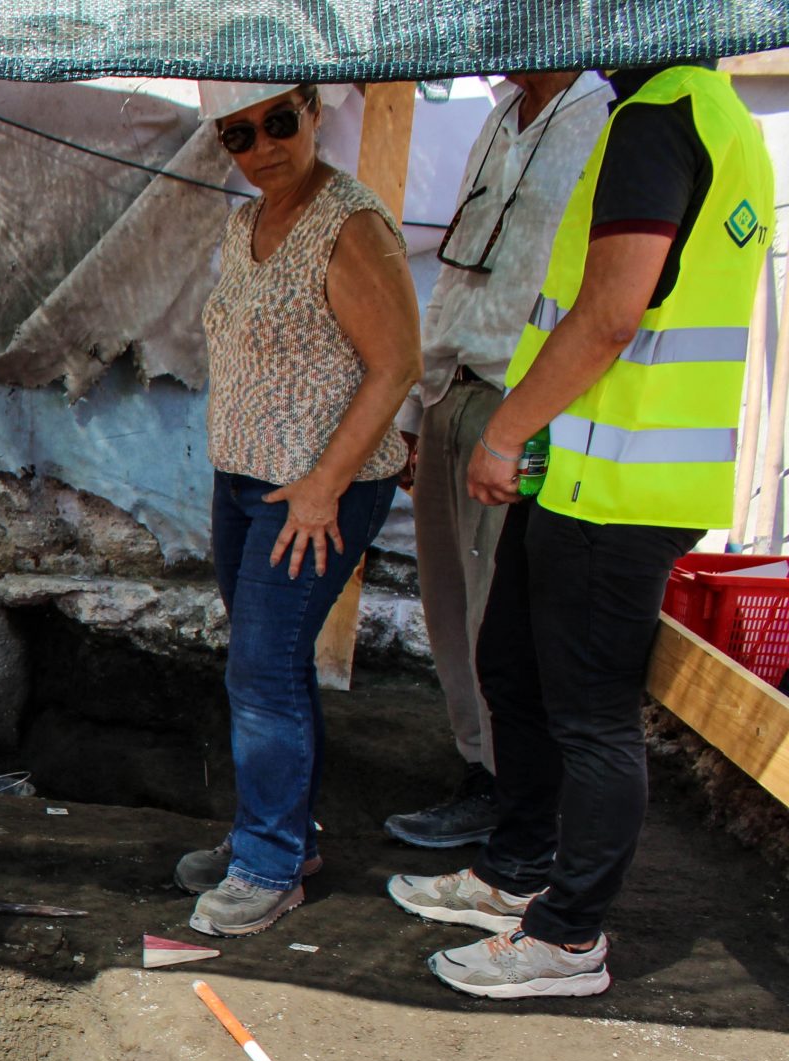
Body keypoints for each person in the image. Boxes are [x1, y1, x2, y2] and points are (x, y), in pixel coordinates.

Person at [395, 61, 773, 999]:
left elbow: (610, 314)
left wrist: (510, 429)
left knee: (593, 716)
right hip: (587, 470)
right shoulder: (693, 112)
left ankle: (569, 937)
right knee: (512, 667)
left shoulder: (663, 118)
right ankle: (515, 869)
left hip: (622, 483)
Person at [177, 82, 421, 937]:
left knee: (261, 667)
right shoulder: (246, 223)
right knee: (267, 663)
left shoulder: (350, 223)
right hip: (247, 479)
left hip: (320, 489)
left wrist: (323, 485)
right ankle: (277, 837)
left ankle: (270, 864)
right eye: (239, 134)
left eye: (280, 122)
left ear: (315, 111)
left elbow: (398, 364)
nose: (264, 146)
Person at [385, 72, 613, 850]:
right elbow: (455, 270)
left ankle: (517, 798)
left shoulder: (604, 118)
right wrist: (417, 409)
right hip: (453, 383)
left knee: (499, 616)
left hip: (518, 398)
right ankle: (482, 774)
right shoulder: (502, 115)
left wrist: (521, 427)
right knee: (449, 602)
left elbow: (599, 300)